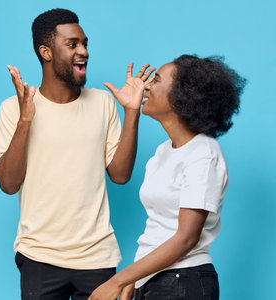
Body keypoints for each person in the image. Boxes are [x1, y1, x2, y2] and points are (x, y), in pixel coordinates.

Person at [0, 8, 154, 300]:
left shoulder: (103, 103)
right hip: (39, 255)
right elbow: (8, 184)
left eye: (85, 43)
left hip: (97, 256)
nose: (84, 51)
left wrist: (131, 112)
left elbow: (120, 175)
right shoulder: (13, 108)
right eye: (72, 44)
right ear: (46, 52)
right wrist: (25, 121)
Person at [89, 55, 246, 300]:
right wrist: (133, 280)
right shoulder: (163, 151)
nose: (147, 86)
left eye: (156, 80)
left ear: (181, 96)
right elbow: (159, 226)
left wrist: (117, 281)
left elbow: (186, 238)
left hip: (184, 282)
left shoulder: (203, 154)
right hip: (152, 280)